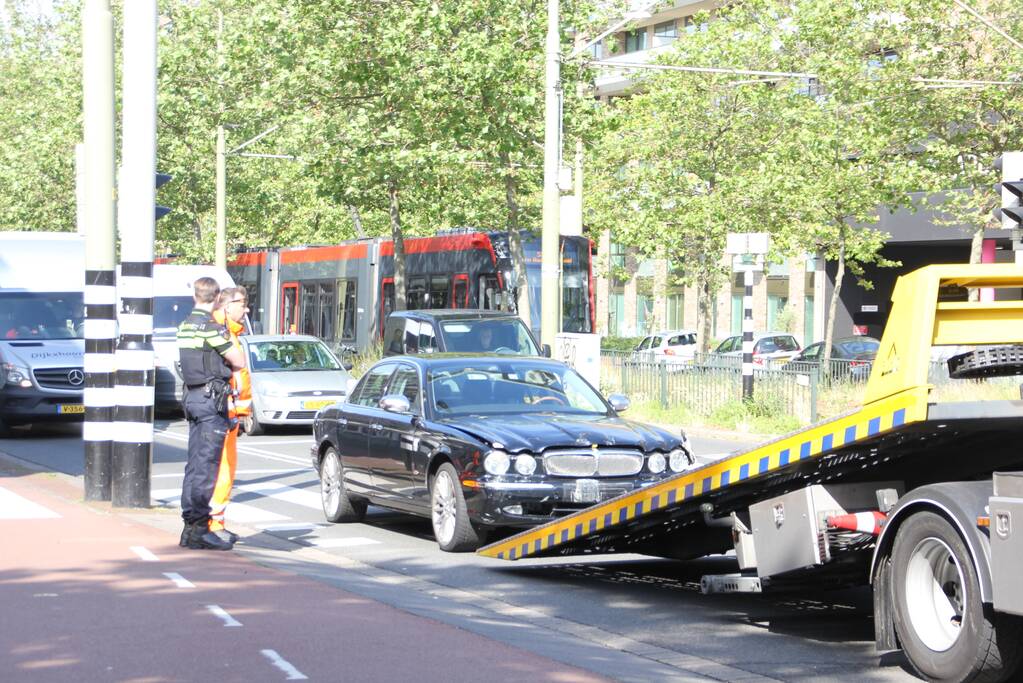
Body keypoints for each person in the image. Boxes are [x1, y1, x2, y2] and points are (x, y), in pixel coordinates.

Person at [176, 277, 246, 551]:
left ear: (195, 296)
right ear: (217, 298)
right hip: (211, 401)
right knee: (207, 467)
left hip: (192, 398)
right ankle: (200, 530)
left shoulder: (184, 327)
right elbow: (238, 360)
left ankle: (189, 527)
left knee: (194, 465)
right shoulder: (211, 329)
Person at [208, 286, 252, 544]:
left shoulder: (227, 332)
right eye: (242, 304)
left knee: (222, 468)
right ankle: (213, 524)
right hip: (224, 411)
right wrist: (239, 409)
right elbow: (235, 375)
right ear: (227, 306)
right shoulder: (221, 333)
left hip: (227, 411)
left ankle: (217, 522)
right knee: (222, 469)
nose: (246, 309)